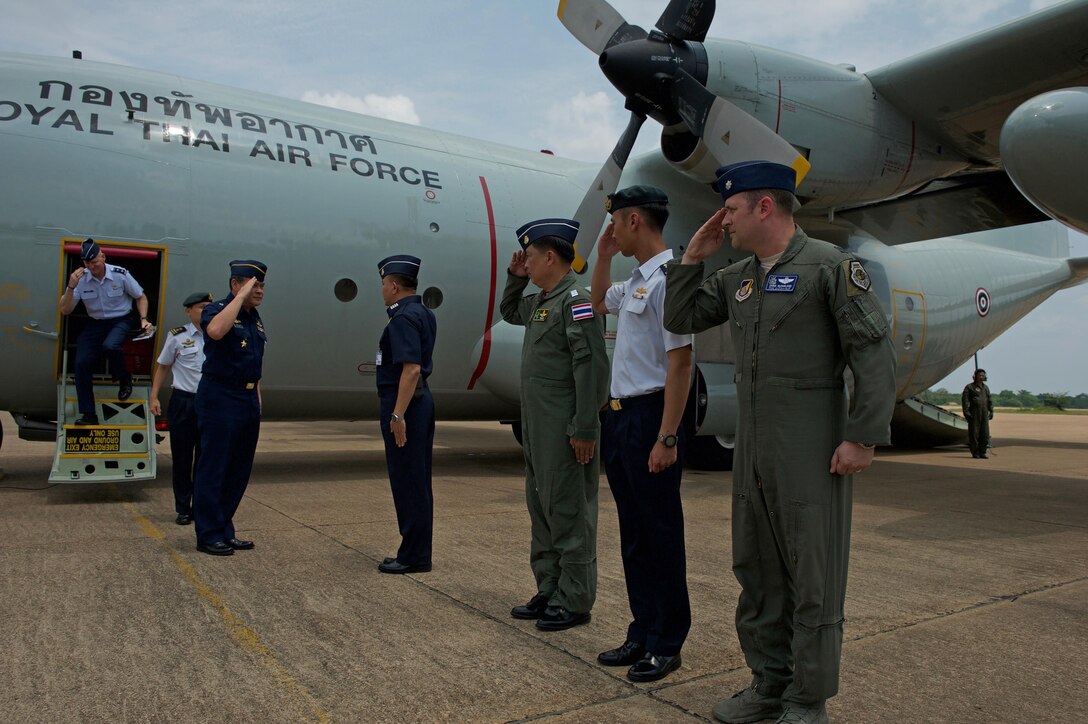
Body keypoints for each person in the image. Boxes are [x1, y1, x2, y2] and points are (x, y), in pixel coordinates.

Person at [663, 161, 896, 724]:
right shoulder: (739, 276)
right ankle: (769, 684)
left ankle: (807, 699)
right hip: (753, 449)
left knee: (812, 573)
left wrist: (862, 436)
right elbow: (680, 314)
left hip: (809, 444)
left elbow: (872, 352)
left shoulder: (830, 268)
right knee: (757, 569)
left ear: (764, 206)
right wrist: (692, 258)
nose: (724, 221)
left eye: (731, 210)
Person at [589, 186, 693, 682]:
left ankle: (667, 642)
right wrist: (604, 257)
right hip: (621, 417)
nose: (611, 231)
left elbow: (680, 365)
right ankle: (642, 630)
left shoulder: (670, 281)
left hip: (653, 416)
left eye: (615, 223)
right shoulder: (635, 281)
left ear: (634, 220)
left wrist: (667, 436)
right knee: (634, 534)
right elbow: (596, 303)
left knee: (660, 533)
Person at [500, 218, 609, 632]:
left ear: (550, 257)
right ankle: (549, 588)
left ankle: (575, 598)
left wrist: (585, 428)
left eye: (529, 256)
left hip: (565, 429)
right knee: (542, 509)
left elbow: (591, 367)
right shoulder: (543, 301)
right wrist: (514, 279)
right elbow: (509, 311)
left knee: (569, 513)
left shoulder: (576, 301)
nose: (525, 262)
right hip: (538, 429)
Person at [192, 260, 268, 556]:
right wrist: (239, 298)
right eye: (253, 285)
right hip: (220, 396)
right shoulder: (217, 310)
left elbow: (253, 363)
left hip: (247, 399)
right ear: (235, 285)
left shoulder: (254, 318)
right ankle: (208, 534)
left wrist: (257, 400)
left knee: (238, 469)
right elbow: (215, 331)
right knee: (214, 466)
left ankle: (225, 529)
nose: (259, 290)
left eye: (262, 286)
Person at [375, 255, 437, 574]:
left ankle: (414, 555)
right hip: (419, 402)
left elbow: (410, 369)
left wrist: (397, 415)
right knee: (417, 480)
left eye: (384, 283)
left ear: (395, 285)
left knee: (408, 480)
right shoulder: (423, 312)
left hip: (407, 404)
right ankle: (415, 551)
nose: (383, 289)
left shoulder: (402, 318)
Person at [59, 238, 153, 425]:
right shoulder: (81, 280)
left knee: (110, 346)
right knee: (81, 363)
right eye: (87, 263)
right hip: (95, 323)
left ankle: (124, 378)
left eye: (94, 262)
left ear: (103, 256)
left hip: (120, 319)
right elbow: (65, 310)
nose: (91, 267)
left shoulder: (120, 274)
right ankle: (89, 414)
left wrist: (143, 319)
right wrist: (70, 287)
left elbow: (140, 297)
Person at [150, 292, 212, 526]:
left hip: (209, 403)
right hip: (183, 402)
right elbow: (163, 366)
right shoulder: (177, 336)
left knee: (206, 460)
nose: (206, 311)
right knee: (182, 459)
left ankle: (201, 507)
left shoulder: (219, 334)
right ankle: (183, 508)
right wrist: (154, 396)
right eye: (202, 307)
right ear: (188, 311)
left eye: (209, 307)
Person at [961, 369, 993, 458]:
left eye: (983, 375)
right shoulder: (969, 387)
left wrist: (991, 411)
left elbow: (989, 400)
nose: (981, 377)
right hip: (974, 413)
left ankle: (982, 452)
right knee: (974, 433)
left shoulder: (986, 388)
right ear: (975, 376)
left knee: (985, 433)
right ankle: (975, 452)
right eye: (980, 375)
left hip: (984, 413)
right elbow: (965, 401)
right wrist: (966, 412)